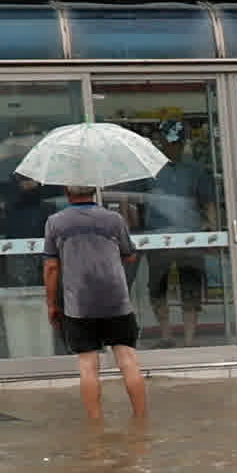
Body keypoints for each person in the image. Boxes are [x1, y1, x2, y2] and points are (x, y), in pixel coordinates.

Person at [38, 174, 151, 425]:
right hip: (116, 301)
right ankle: (142, 421)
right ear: (94, 191)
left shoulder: (55, 223)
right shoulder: (114, 219)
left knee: (88, 365)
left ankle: (96, 427)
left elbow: (51, 268)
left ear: (67, 191)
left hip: (79, 305)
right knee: (128, 360)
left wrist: (52, 305)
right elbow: (129, 255)